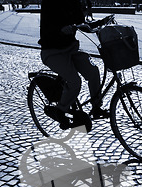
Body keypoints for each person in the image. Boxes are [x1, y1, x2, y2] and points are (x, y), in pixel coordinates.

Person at [39, 0, 110, 130]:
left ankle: (96, 107)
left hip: (71, 49)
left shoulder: (74, 2)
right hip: (52, 51)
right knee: (74, 81)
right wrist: (60, 30)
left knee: (93, 71)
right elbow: (47, 26)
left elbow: (82, 23)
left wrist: (101, 23)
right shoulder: (49, 3)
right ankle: (60, 111)